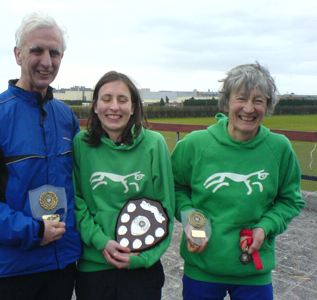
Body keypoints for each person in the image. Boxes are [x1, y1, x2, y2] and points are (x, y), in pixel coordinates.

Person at [0, 12, 81, 300]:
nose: (46, 61)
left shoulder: (66, 117)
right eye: (37, 50)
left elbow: (79, 185)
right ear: (18, 54)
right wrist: (33, 230)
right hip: (11, 269)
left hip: (62, 265)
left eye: (54, 52)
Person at [171, 62, 306, 300]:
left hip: (254, 270)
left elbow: (290, 199)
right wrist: (191, 217)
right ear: (226, 102)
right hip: (202, 269)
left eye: (259, 100)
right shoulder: (194, 144)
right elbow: (175, 188)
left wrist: (266, 226)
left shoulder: (279, 148)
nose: (249, 108)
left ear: (268, 106)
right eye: (241, 98)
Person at [73, 71, 175, 300]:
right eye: (106, 98)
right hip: (94, 267)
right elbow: (76, 202)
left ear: (133, 106)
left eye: (122, 99)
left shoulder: (154, 145)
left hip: (142, 268)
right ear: (95, 106)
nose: (114, 107)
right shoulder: (81, 144)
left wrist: (141, 258)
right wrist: (101, 241)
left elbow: (165, 209)